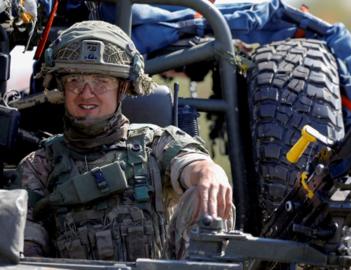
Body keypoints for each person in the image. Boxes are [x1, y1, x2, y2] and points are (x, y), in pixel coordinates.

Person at [17, 20, 234, 261]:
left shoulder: (155, 143)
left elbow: (191, 164)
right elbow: (26, 251)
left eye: (101, 81)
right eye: (74, 81)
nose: (86, 93)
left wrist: (208, 173)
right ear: (61, 87)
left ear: (122, 87)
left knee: (206, 194)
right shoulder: (39, 166)